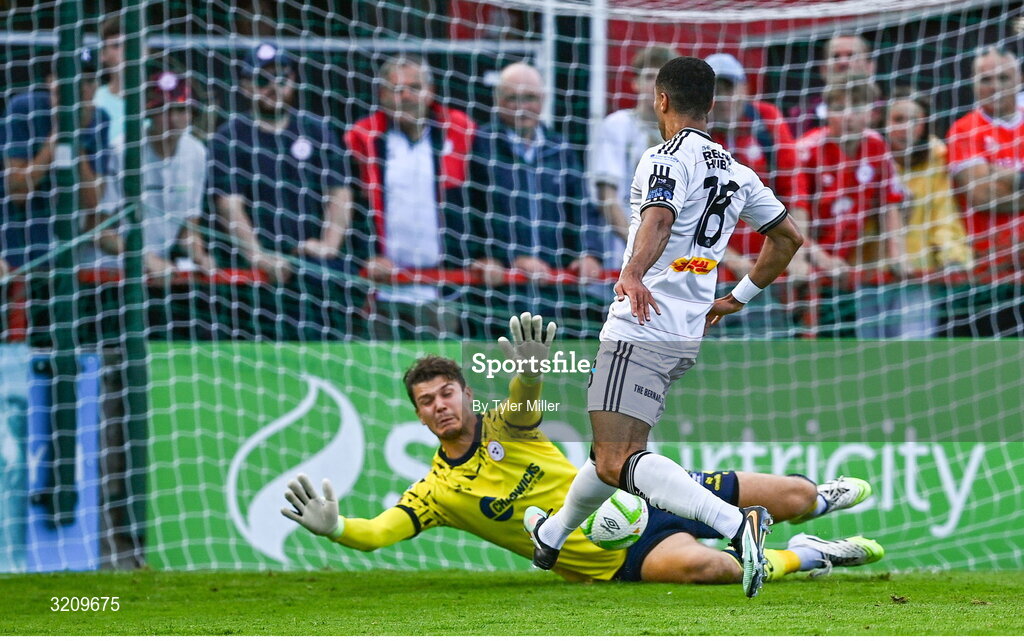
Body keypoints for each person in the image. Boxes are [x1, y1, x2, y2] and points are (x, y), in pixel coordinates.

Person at [281, 313, 882, 585]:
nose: (440, 406)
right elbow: (382, 530)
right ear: (418, 415)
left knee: (796, 493)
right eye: (426, 401)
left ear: (466, 395)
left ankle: (812, 508)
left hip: (636, 488)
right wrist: (338, 528)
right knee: (711, 567)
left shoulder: (504, 428)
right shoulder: (436, 492)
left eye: (447, 393)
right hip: (612, 558)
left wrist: (529, 372)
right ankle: (810, 555)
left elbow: (522, 403)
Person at [526, 57, 804, 599]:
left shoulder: (664, 156)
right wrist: (736, 299)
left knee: (617, 458)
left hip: (642, 322)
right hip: (686, 330)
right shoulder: (737, 171)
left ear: (661, 101)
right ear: (713, 105)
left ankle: (734, 525)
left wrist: (631, 272)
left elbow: (658, 217)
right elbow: (789, 237)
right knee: (615, 448)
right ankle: (553, 536)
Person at [209, 43, 356, 340]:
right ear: (246, 85)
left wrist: (328, 244)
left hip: (315, 271)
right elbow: (229, 206)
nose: (273, 88)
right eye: (263, 80)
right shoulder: (230, 136)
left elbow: (339, 193)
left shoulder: (317, 130)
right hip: (257, 277)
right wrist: (258, 256)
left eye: (281, 78)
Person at [465, 62, 605, 338]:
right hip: (498, 292)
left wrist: (589, 253)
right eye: (512, 98)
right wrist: (505, 258)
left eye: (529, 98)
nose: (521, 106)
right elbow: (469, 212)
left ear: (542, 100)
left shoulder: (559, 147)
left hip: (556, 293)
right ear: (497, 101)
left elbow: (581, 207)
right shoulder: (479, 145)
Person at [345, 55, 475, 340]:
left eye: (414, 87)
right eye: (395, 88)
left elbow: (479, 201)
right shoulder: (361, 138)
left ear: (431, 91)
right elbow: (350, 207)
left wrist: (482, 256)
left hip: (441, 287)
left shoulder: (460, 131)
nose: (405, 96)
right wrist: (366, 256)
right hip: (379, 289)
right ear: (381, 95)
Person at [704, 53, 823, 338]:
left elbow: (795, 194)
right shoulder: (692, 134)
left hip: (768, 269)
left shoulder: (766, 121)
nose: (721, 98)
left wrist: (795, 254)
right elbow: (687, 217)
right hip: (708, 269)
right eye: (713, 90)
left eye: (728, 88)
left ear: (744, 89)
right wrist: (731, 261)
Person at [1, 48, 110, 344]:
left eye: (88, 81)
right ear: (51, 81)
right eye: (69, 79)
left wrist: (75, 138)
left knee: (61, 349)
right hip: (14, 253)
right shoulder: (24, 108)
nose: (80, 88)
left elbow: (93, 202)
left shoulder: (98, 120)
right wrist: (58, 136)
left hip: (63, 261)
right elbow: (18, 191)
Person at [795, 79, 905, 337]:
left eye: (857, 107)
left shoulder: (877, 146)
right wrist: (823, 259)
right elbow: (789, 220)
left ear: (872, 113)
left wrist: (897, 253)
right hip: (801, 264)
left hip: (847, 269)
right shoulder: (807, 151)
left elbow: (890, 204)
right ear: (826, 111)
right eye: (838, 107)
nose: (848, 116)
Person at [945, 46, 1024, 337]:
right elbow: (980, 196)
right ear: (973, 83)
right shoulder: (964, 130)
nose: (995, 87)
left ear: (1019, 80)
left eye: (1004, 78)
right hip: (987, 271)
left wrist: (1002, 177)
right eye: (986, 79)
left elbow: (993, 191)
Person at [884, 89, 972, 337]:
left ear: (925, 125)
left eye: (913, 121)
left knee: (913, 346)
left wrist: (951, 253)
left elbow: (943, 211)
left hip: (918, 272)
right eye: (898, 119)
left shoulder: (937, 156)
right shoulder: (872, 152)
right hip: (870, 271)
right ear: (885, 122)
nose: (905, 128)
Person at [592, 45, 679, 268]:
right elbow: (608, 199)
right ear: (635, 83)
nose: (656, 85)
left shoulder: (683, 137)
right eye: (650, 76)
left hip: (672, 258)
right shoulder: (617, 125)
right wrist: (639, 250)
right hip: (622, 256)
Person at [786, 35, 877, 139]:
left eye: (851, 55)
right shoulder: (801, 115)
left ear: (870, 66)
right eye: (835, 56)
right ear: (823, 69)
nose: (843, 62)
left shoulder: (887, 109)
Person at [95, 15, 126, 145]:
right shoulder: (94, 100)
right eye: (117, 45)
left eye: (131, 44)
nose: (125, 51)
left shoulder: (159, 101)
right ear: (103, 54)